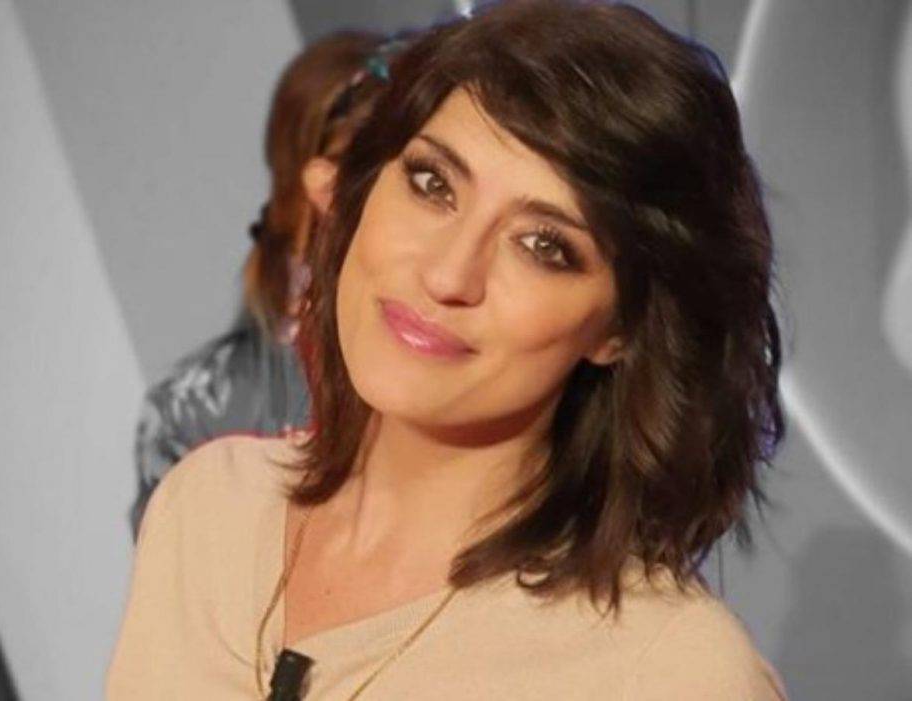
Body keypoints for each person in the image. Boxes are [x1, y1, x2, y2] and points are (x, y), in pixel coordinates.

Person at [107, 1, 789, 698]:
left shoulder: (674, 672)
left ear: (621, 328)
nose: (447, 274)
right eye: (433, 184)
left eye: (543, 246)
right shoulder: (208, 506)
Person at [129, 30, 396, 537]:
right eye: (367, 170)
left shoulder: (443, 350)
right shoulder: (193, 412)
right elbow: (185, 582)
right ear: (316, 181)